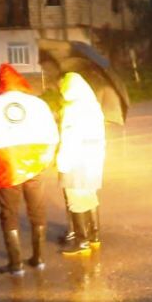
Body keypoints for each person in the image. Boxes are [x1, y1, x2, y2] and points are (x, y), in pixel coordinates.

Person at [0, 63, 59, 275]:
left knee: (9, 213)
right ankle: (38, 259)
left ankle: (16, 264)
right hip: (35, 160)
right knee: (37, 209)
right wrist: (46, 159)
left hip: (6, 163)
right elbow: (52, 135)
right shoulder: (38, 103)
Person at [57, 72, 106, 255]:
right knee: (90, 197)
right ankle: (94, 236)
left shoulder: (73, 109)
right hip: (93, 160)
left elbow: (69, 139)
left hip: (75, 161)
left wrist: (62, 164)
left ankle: (81, 242)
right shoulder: (93, 107)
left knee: (76, 201)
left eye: (63, 86)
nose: (61, 90)